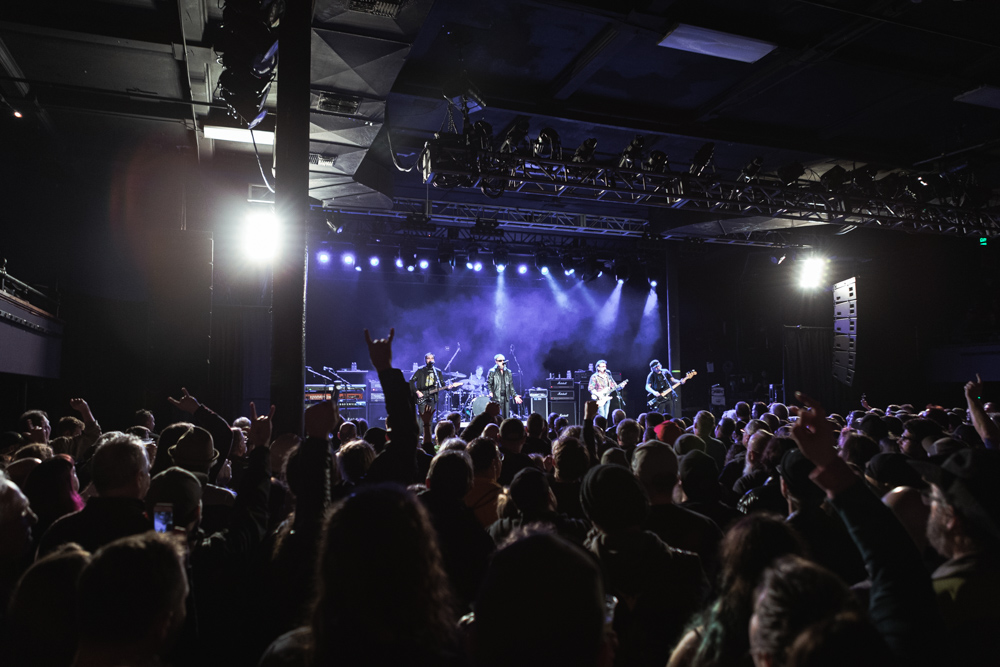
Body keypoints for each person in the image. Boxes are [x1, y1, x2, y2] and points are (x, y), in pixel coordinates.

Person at [486, 354, 522, 419]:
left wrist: (515, 396)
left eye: (503, 360)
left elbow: (511, 386)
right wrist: (490, 391)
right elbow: (488, 383)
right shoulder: (492, 371)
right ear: (496, 361)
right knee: (496, 416)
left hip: (506, 397)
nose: (502, 362)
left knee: (506, 417)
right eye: (500, 360)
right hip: (496, 397)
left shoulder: (508, 372)